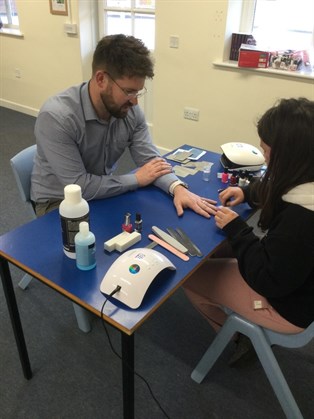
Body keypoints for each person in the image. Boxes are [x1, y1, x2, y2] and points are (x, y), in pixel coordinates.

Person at [183, 97, 314, 365]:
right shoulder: (306, 181)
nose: (264, 157)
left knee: (190, 275)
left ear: (287, 157)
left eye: (266, 152)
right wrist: (247, 191)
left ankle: (239, 339)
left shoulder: (301, 221)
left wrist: (237, 229)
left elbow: (266, 279)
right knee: (217, 251)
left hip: (286, 305)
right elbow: (281, 189)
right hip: (292, 280)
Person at [30, 34, 216, 217]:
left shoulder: (128, 111)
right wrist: (136, 179)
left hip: (102, 192)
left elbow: (151, 161)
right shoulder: (57, 117)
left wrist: (177, 188)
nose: (135, 102)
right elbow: (80, 186)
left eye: (138, 92)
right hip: (59, 203)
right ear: (101, 79)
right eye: (128, 91)